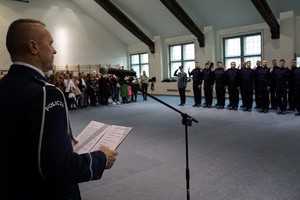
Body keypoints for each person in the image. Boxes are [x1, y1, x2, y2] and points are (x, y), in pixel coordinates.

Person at [0, 18, 118, 200]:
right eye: (51, 43)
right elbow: (58, 167)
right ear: (33, 47)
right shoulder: (46, 93)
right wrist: (101, 159)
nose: (55, 50)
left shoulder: (5, 84)